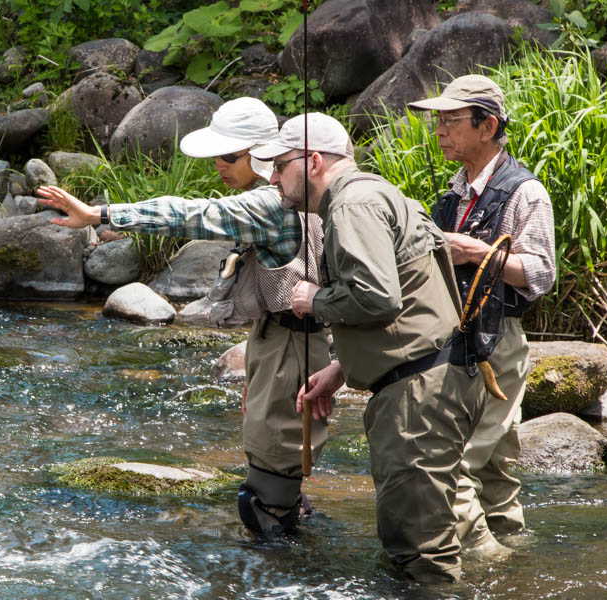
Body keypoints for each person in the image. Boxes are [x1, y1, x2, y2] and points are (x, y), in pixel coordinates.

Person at [36, 97, 333, 538]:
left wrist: (101, 214)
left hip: (294, 346)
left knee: (267, 491)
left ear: (262, 154)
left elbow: (191, 214)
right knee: (277, 470)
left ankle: (289, 570)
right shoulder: (287, 196)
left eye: (229, 156)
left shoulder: (268, 205)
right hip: (279, 338)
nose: (219, 165)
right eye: (217, 154)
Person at [250, 113, 486, 583]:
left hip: (418, 398)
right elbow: (412, 299)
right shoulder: (378, 192)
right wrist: (342, 368)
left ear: (313, 161)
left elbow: (378, 296)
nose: (274, 177)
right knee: (433, 538)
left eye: (280, 164)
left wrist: (313, 299)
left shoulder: (350, 207)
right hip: (436, 379)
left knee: (421, 559)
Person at [407, 75, 556, 555]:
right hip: (461, 340)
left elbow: (539, 272)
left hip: (497, 345)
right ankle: (516, 561)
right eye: (439, 122)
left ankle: (483, 567)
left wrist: (475, 251)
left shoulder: (524, 191)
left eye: (451, 121)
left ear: (487, 125)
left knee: (454, 466)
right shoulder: (455, 191)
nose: (440, 131)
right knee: (494, 468)